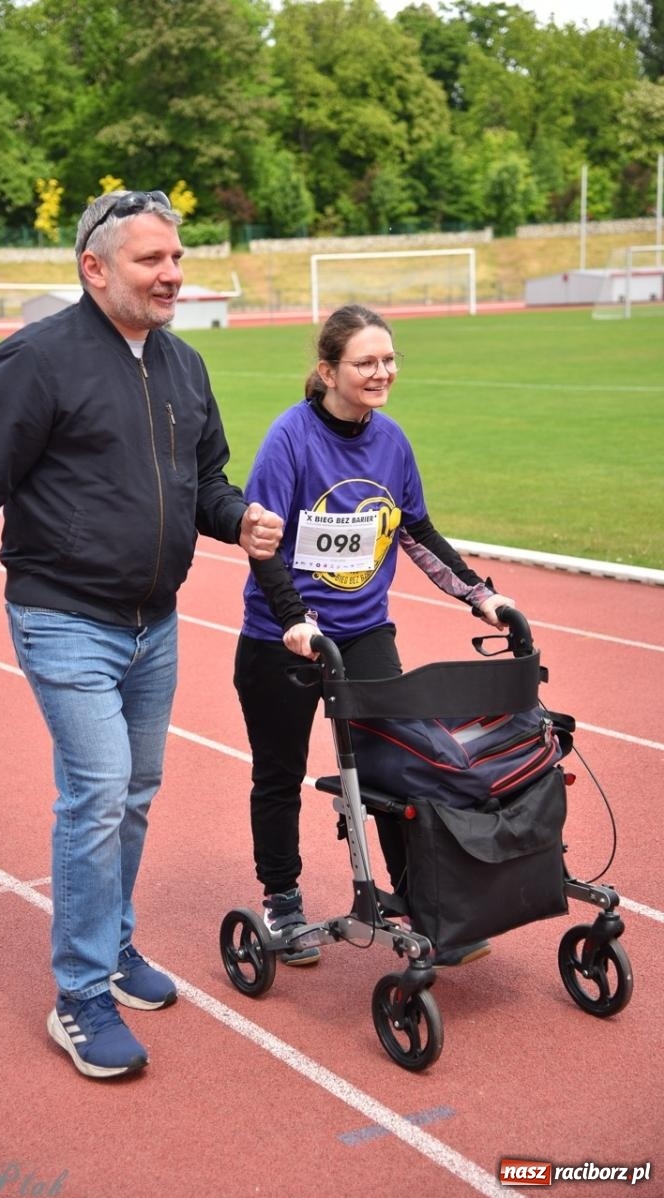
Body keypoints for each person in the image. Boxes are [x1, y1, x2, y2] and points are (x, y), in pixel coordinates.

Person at [0, 189, 283, 1079]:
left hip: (154, 621)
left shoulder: (184, 365)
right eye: (150, 259)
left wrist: (237, 519)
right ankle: (80, 995)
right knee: (98, 792)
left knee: (134, 792)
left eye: (176, 258)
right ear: (94, 268)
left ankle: (113, 945)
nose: (172, 274)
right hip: (63, 614)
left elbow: (204, 481)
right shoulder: (36, 359)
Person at [233, 304, 514, 967]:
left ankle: (416, 900)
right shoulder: (289, 438)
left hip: (363, 634)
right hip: (281, 637)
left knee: (396, 766)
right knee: (279, 773)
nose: (381, 372)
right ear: (328, 370)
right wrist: (293, 619)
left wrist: (479, 595)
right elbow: (263, 545)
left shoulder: (391, 441)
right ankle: (282, 899)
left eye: (389, 360)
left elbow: (415, 530)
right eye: (365, 362)